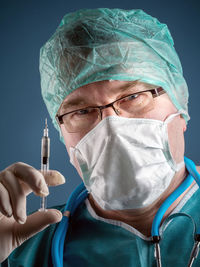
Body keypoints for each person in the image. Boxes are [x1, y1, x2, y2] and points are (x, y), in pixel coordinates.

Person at [0, 8, 200, 267]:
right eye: (82, 111)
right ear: (62, 134)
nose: (112, 127)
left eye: (132, 97)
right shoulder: (26, 247)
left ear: (179, 105)